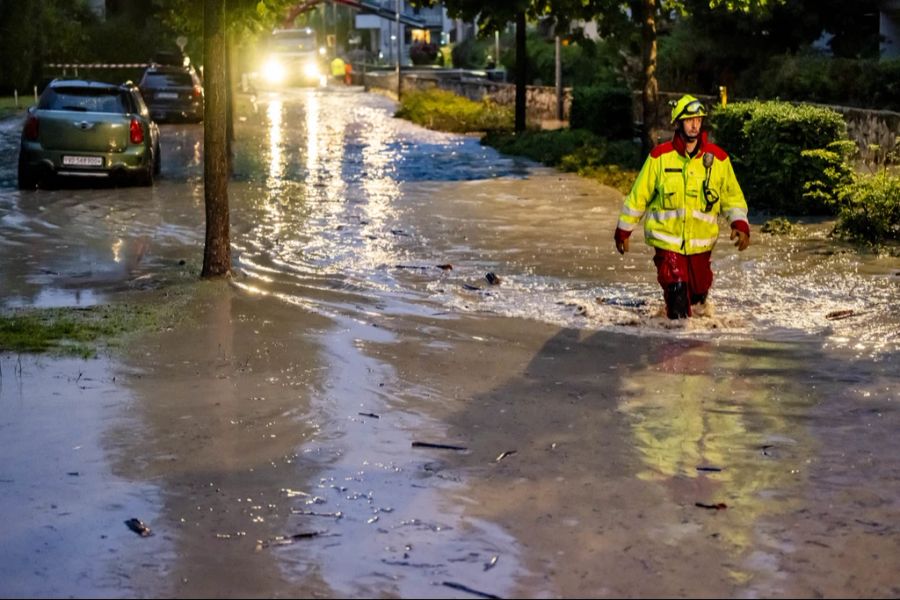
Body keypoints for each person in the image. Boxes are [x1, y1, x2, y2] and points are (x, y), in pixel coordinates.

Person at [614, 94, 750, 319]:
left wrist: (740, 225)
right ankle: (673, 349)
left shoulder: (718, 159)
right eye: (689, 120)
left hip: (701, 247)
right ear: (678, 123)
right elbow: (638, 197)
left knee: (698, 304)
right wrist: (623, 230)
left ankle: (693, 349)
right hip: (668, 246)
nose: (695, 124)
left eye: (698, 119)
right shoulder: (660, 157)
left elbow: (732, 198)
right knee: (678, 303)